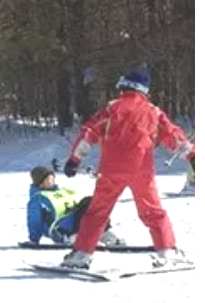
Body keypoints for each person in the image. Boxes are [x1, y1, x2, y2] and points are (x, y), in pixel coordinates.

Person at [61, 67, 195, 269]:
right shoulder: (153, 112)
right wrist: (191, 155)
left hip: (110, 171)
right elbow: (172, 135)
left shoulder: (111, 108)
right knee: (152, 211)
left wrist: (74, 160)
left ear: (124, 86)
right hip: (141, 170)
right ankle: (167, 251)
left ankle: (81, 254)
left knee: (97, 213)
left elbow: (89, 132)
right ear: (144, 89)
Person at [26, 166, 123, 246]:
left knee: (93, 203)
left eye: (52, 178)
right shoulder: (38, 199)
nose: (51, 181)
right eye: (47, 179)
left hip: (74, 222)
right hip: (62, 230)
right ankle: (75, 237)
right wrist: (34, 240)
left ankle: (105, 234)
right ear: (40, 182)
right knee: (88, 203)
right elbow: (34, 221)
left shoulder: (62, 191)